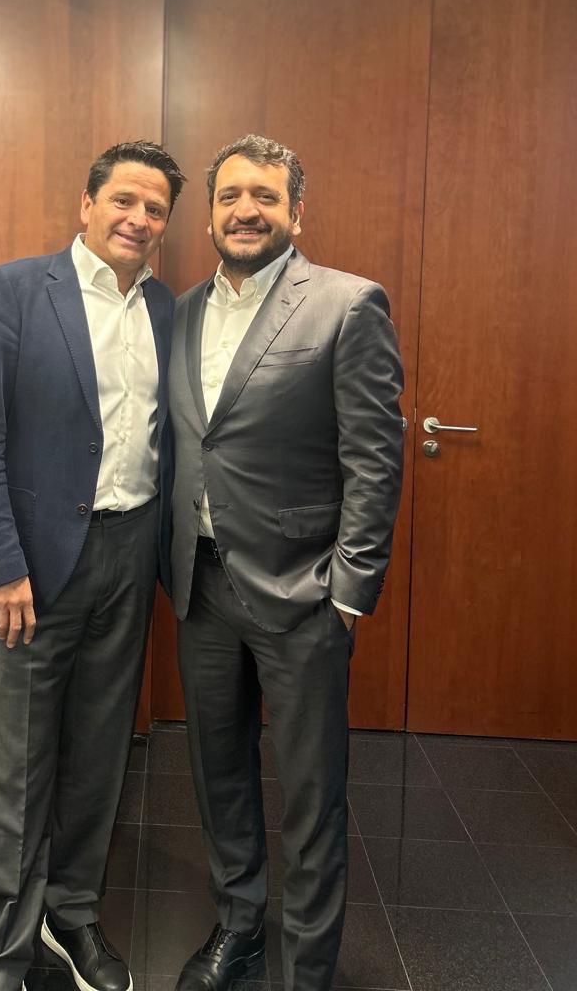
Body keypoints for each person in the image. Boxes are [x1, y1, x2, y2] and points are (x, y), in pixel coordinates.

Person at [0, 141, 186, 991]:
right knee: (18, 766)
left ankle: (71, 914)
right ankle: (0, 950)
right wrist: (1, 565)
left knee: (100, 752)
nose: (138, 220)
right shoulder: (15, 290)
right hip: (35, 569)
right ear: (86, 204)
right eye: (124, 200)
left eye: (155, 209)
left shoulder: (164, 308)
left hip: (131, 552)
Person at [168, 135, 404, 991]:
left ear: (296, 213)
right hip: (199, 585)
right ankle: (239, 930)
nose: (246, 211)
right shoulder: (180, 312)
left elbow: (374, 457)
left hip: (305, 594)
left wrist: (350, 592)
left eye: (265, 197)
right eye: (230, 196)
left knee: (310, 799)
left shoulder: (346, 304)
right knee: (219, 776)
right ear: (209, 215)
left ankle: (308, 969)